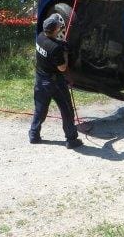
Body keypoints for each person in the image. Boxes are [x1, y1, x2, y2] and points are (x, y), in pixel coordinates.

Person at [29, 13, 83, 149]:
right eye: (58, 26)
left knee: (40, 109)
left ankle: (34, 134)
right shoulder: (56, 49)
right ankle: (71, 140)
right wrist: (64, 53)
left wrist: (61, 44)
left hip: (40, 80)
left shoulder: (40, 37)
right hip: (54, 83)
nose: (60, 26)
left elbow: (50, 44)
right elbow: (62, 67)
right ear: (54, 31)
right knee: (67, 110)